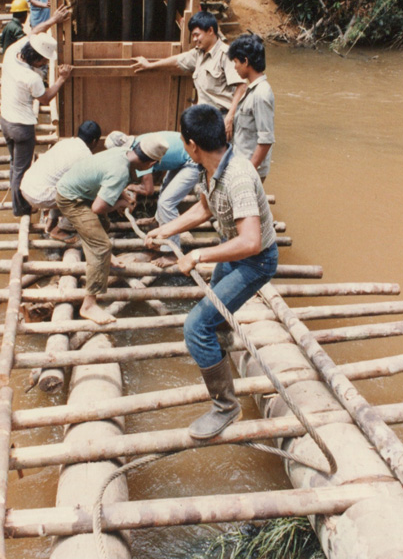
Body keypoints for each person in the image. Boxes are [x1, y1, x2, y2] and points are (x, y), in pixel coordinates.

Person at [145, 105, 278, 440]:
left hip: (254, 261)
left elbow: (250, 241)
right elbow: (206, 207)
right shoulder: (211, 167)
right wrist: (167, 228)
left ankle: (225, 406)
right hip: (232, 252)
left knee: (196, 327)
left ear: (191, 144)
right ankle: (219, 358)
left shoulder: (239, 177)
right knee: (214, 322)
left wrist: (199, 254)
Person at [55, 134, 169, 325]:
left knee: (103, 225)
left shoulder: (122, 153)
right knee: (100, 246)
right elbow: (97, 208)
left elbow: (109, 181)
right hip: (71, 199)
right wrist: (119, 203)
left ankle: (107, 260)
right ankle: (89, 305)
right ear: (151, 163)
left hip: (78, 190)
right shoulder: (121, 172)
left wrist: (122, 196)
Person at [132, 11, 245, 140]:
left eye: (197, 35)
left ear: (210, 30)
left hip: (222, 118)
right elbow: (177, 60)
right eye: (193, 36)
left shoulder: (225, 55)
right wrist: (150, 65)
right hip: (205, 119)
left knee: (222, 158)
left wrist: (230, 118)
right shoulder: (198, 54)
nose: (195, 39)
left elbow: (242, 86)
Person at [0, 32, 72, 217]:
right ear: (36, 58)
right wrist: (62, 79)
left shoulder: (11, 52)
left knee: (14, 164)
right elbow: (46, 98)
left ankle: (17, 201)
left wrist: (53, 19)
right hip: (21, 127)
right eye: (43, 61)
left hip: (6, 120)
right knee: (21, 170)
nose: (45, 64)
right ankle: (21, 208)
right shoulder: (32, 78)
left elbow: (35, 30)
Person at [105, 129, 200, 267]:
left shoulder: (141, 153)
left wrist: (133, 188)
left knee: (166, 203)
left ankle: (173, 252)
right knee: (165, 191)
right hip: (184, 157)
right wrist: (134, 188)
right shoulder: (137, 143)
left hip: (192, 160)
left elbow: (148, 190)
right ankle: (159, 222)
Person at [20, 120, 101, 234]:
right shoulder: (85, 156)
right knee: (88, 194)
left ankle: (51, 222)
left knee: (64, 184)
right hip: (39, 195)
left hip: (26, 186)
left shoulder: (66, 143)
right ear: (94, 141)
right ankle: (62, 229)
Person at [227, 34, 275, 181]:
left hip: (248, 171)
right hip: (240, 165)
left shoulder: (261, 94)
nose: (235, 67)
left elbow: (266, 140)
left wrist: (249, 171)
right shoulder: (250, 91)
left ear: (246, 61)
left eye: (236, 62)